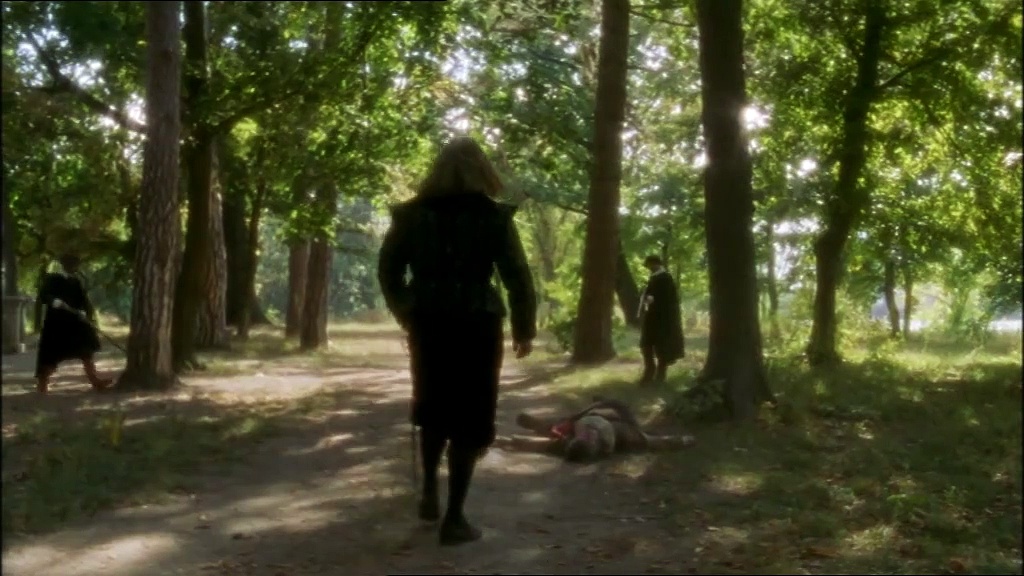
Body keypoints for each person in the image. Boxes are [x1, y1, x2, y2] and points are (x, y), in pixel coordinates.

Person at [377, 136, 538, 546]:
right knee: (471, 412)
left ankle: (430, 491)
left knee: (433, 405)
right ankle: (454, 517)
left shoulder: (411, 215)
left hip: (429, 322)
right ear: (482, 169)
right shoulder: (493, 217)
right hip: (477, 322)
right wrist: (523, 329)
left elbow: (389, 270)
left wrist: (406, 308)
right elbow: (517, 275)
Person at [503, 397, 695, 461]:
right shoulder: (621, 434)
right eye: (589, 437)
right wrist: (683, 441)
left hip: (594, 416)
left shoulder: (571, 444)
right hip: (614, 417)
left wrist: (508, 441)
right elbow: (653, 442)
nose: (588, 435)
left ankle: (541, 424)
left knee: (564, 422)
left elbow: (540, 445)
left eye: (585, 437)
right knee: (574, 419)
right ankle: (542, 424)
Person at [34, 254, 112, 394]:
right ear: (65, 265)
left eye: (76, 265)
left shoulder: (75, 281)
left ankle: (95, 380)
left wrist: (86, 313)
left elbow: (84, 300)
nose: (75, 268)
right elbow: (44, 295)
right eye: (73, 265)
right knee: (51, 354)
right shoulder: (53, 279)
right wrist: (54, 301)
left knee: (86, 350)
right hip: (57, 324)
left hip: (75, 322)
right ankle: (43, 382)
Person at [637, 254, 685, 384]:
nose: (649, 268)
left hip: (663, 319)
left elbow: (667, 300)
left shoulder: (665, 278)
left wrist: (651, 298)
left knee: (661, 347)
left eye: (650, 265)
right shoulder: (656, 277)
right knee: (646, 345)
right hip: (653, 317)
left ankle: (659, 376)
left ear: (655, 264)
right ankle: (650, 371)